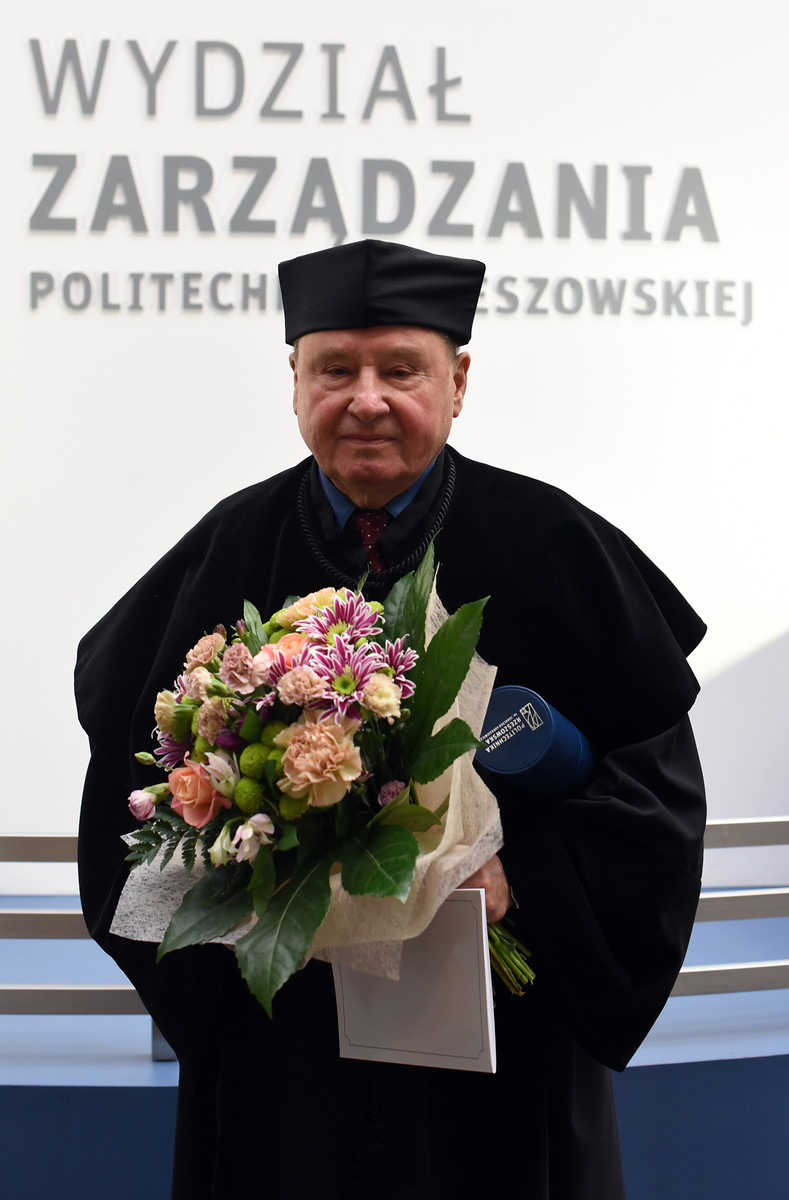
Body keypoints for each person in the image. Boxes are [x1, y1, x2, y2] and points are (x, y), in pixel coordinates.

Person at [75, 239, 706, 1200]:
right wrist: (240, 861)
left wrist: (523, 879)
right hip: (285, 1056)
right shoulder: (228, 551)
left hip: (503, 1058)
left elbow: (655, 793)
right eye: (335, 369)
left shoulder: (554, 546)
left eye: (400, 370)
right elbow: (131, 782)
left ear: (458, 383)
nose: (365, 399)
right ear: (295, 382)